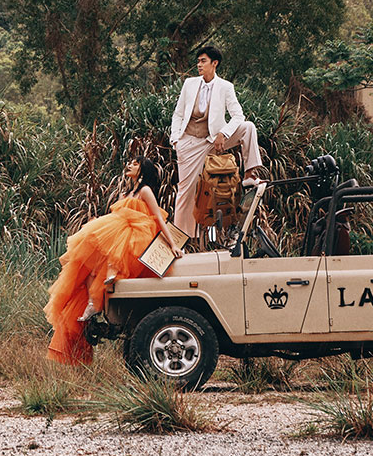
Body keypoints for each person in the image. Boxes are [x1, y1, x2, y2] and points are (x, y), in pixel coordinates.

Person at [44, 157, 181, 365]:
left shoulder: (145, 191)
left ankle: (113, 271)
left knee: (120, 234)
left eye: (135, 164)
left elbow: (158, 218)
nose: (129, 165)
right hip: (124, 232)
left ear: (143, 170)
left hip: (140, 234)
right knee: (91, 258)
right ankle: (92, 302)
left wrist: (172, 244)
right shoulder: (128, 193)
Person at [169, 45, 264, 242]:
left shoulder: (225, 87)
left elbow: (238, 115)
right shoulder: (189, 84)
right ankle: (180, 240)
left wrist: (224, 132)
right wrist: (176, 140)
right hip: (189, 143)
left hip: (213, 140)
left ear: (215, 63)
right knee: (185, 192)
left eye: (203, 61)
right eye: (198, 61)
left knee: (248, 127)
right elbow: (178, 114)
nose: (199, 65)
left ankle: (249, 174)